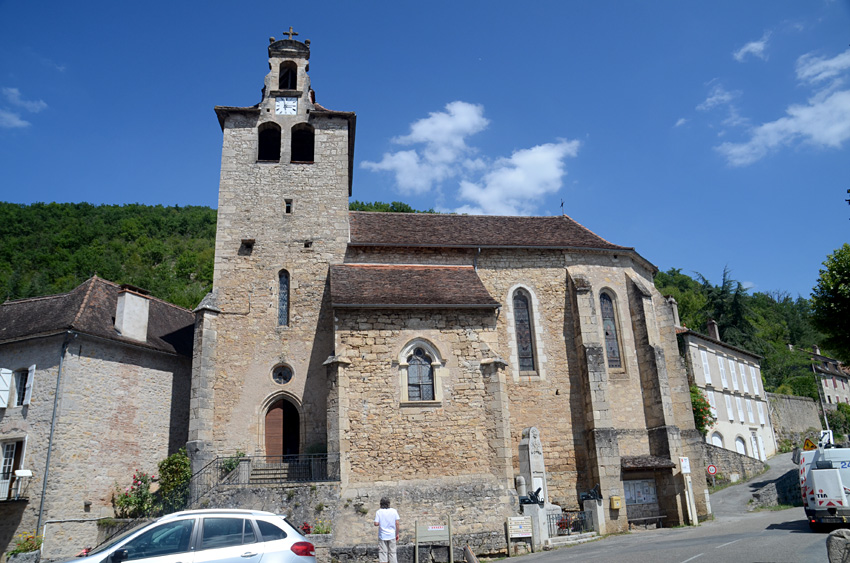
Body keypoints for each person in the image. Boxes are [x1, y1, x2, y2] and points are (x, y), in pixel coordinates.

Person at [374, 497, 400, 563]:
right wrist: (397, 533)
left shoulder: (379, 512)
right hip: (392, 535)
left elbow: (376, 523)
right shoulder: (394, 511)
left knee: (383, 553)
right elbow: (397, 523)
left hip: (382, 535)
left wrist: (381, 523)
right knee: (393, 553)